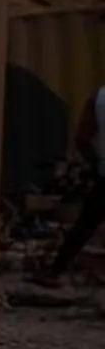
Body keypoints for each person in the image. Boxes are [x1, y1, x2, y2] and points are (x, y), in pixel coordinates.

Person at [36, 81, 105, 285]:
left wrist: (96, 165)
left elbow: (82, 140)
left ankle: (55, 270)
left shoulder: (98, 98)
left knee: (85, 225)